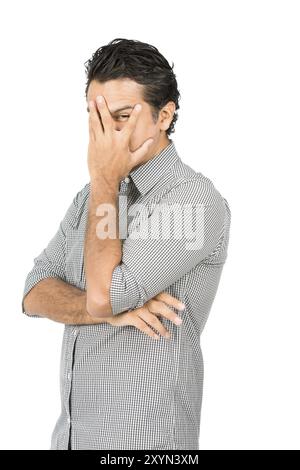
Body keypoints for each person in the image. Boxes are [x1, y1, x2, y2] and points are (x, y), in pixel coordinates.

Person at [22, 38, 231, 450]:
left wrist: (104, 178)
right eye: (96, 119)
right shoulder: (90, 199)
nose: (106, 137)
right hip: (72, 437)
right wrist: (108, 312)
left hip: (143, 443)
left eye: (120, 117)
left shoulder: (192, 200)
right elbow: (33, 291)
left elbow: (103, 297)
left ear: (164, 116)